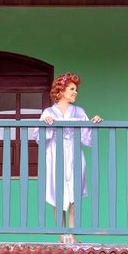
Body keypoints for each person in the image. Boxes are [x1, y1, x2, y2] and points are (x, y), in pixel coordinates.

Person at [35, 72, 102, 243]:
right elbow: (38, 139)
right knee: (58, 196)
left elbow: (87, 138)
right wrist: (46, 125)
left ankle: (71, 235)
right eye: (72, 89)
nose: (75, 92)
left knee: (74, 196)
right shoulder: (48, 112)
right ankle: (62, 235)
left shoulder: (79, 112)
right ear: (61, 91)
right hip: (55, 157)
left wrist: (93, 123)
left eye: (76, 89)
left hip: (74, 157)